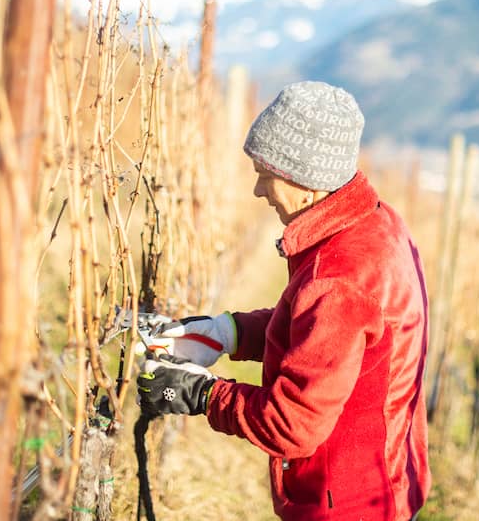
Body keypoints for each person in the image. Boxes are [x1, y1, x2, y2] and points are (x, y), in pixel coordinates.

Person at [138, 80, 431, 521]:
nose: (259, 190)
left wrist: (201, 394)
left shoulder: (340, 275)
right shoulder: (372, 225)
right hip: (381, 478)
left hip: (346, 504)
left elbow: (291, 426)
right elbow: (323, 333)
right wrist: (226, 334)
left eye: (265, 174)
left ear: (305, 184)